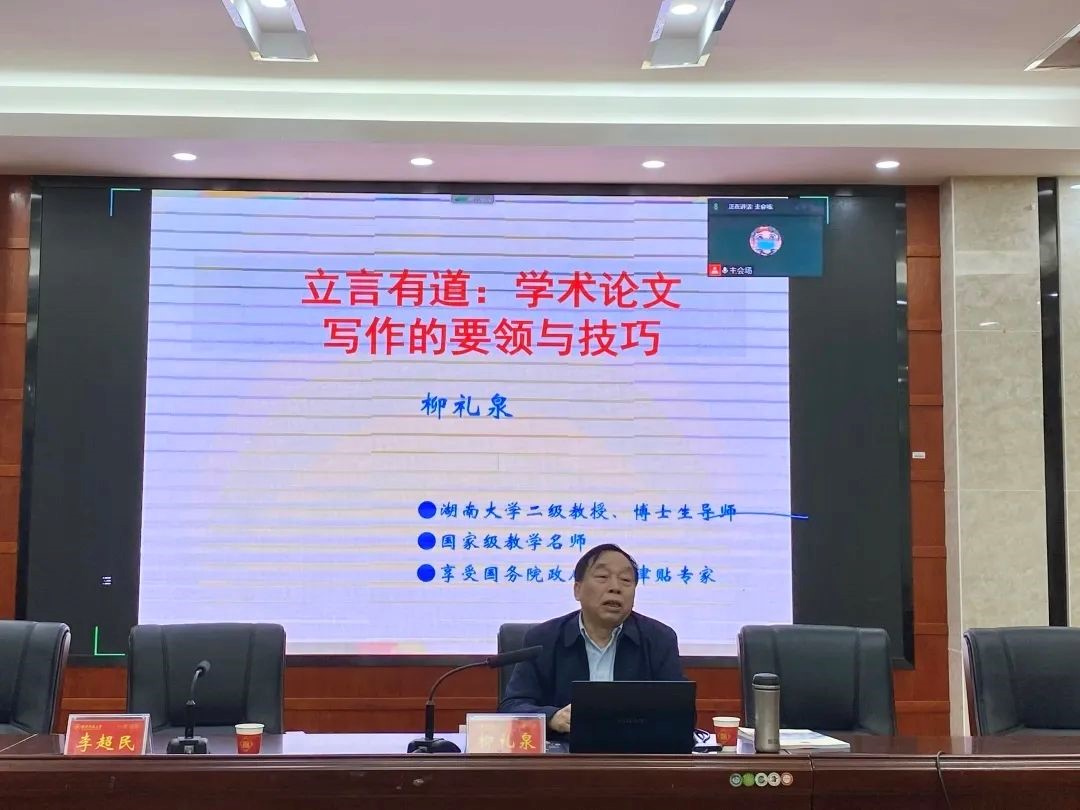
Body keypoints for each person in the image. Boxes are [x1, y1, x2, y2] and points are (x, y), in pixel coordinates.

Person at [498, 543, 685, 735]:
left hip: (634, 750)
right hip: (565, 749)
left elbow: (680, 713)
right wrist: (552, 717)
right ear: (577, 589)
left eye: (625, 580)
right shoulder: (543, 639)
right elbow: (512, 707)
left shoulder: (659, 640)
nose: (615, 588)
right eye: (603, 577)